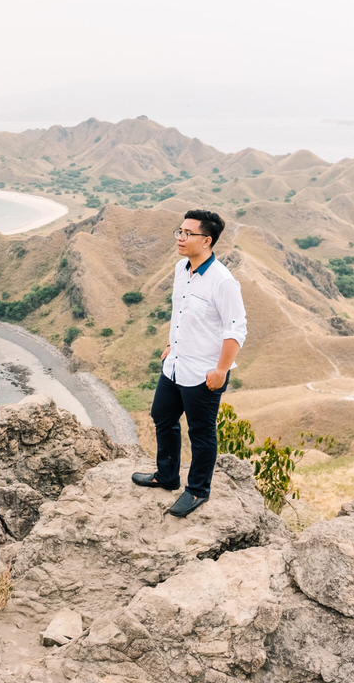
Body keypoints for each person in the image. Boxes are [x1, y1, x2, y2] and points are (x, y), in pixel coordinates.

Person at [133, 209, 247, 518]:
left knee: (201, 431)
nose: (180, 238)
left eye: (187, 233)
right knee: (162, 415)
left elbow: (236, 328)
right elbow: (180, 312)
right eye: (179, 231)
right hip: (175, 364)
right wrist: (171, 344)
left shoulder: (222, 281)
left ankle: (197, 490)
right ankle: (167, 475)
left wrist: (221, 371)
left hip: (203, 372)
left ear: (207, 240)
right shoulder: (180, 269)